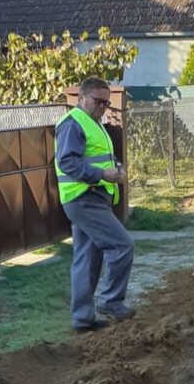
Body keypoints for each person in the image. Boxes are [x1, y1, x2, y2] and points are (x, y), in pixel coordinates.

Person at [54, 77, 134, 331]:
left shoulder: (94, 124)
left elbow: (99, 158)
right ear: (82, 97)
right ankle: (111, 301)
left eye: (106, 103)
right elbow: (67, 162)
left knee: (87, 258)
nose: (102, 106)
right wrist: (102, 175)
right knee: (122, 245)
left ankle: (82, 319)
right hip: (83, 197)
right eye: (98, 101)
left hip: (92, 197)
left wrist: (116, 170)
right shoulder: (73, 123)